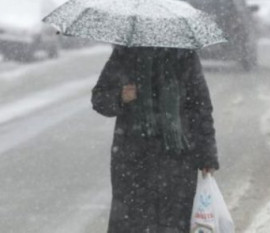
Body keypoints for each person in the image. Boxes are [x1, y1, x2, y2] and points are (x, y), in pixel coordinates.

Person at [92, 46, 219, 233]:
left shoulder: (184, 55)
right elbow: (99, 98)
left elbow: (201, 107)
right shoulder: (125, 54)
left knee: (173, 224)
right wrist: (120, 97)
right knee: (133, 224)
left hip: (177, 161)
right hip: (133, 161)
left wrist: (207, 155)